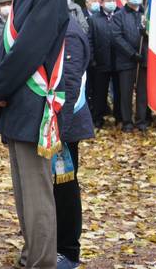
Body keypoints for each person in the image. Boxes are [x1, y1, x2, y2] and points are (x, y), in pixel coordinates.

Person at [0, 0, 69, 269]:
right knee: (24, 193)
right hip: (18, 107)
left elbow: (28, 51)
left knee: (36, 195)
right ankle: (30, 254)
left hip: (32, 106)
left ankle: (41, 261)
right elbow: (5, 48)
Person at [54, 15, 95, 269]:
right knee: (54, 188)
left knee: (65, 188)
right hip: (56, 123)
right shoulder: (56, 25)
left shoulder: (68, 31)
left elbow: (69, 84)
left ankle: (68, 251)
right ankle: (55, 244)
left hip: (64, 125)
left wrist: (60, 130)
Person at [112, 0, 148, 133]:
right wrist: (132, 54)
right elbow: (116, 37)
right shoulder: (119, 15)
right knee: (125, 93)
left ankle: (141, 121)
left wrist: (146, 34)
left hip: (143, 60)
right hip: (126, 61)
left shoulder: (146, 15)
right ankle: (127, 121)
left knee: (142, 93)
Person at [88, 0, 122, 129]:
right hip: (101, 62)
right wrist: (92, 59)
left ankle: (119, 117)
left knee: (119, 92)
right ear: (102, 3)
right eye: (109, 1)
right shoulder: (94, 19)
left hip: (119, 62)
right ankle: (98, 118)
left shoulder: (120, 16)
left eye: (113, 1)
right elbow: (90, 40)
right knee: (99, 93)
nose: (112, 3)